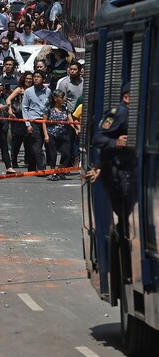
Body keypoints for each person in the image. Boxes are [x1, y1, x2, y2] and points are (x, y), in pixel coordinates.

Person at [88, 82, 133, 281]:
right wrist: (116, 143)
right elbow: (97, 137)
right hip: (117, 175)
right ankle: (126, 266)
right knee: (124, 218)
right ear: (126, 96)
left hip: (129, 172)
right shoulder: (120, 113)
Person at [22, 70, 51, 171]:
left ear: (43, 79)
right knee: (37, 145)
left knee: (43, 144)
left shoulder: (48, 91)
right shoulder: (28, 92)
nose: (35, 78)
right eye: (35, 77)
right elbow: (24, 108)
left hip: (45, 122)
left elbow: (49, 106)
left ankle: (32, 166)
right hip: (33, 121)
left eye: (38, 77)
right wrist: (27, 124)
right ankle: (42, 167)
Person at [42, 89, 74, 180]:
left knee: (66, 154)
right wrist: (46, 135)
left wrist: (76, 128)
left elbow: (70, 120)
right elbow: (44, 122)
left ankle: (60, 170)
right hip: (52, 134)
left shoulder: (65, 108)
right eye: (62, 97)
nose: (64, 99)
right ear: (55, 98)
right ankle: (53, 173)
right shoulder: (48, 109)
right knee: (53, 155)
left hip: (64, 134)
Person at [6, 72, 34, 169]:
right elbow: (8, 99)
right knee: (17, 140)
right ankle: (13, 160)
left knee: (28, 140)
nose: (28, 80)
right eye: (27, 78)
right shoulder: (19, 89)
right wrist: (10, 110)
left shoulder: (33, 90)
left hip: (30, 117)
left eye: (30, 79)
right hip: (18, 117)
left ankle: (28, 159)